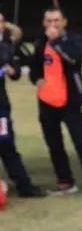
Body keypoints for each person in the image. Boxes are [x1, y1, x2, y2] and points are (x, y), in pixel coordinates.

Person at [29, 8, 82, 195]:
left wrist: (56, 42)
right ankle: (65, 181)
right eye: (48, 21)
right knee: (54, 143)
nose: (52, 24)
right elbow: (34, 66)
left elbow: (73, 60)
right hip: (47, 100)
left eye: (56, 20)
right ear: (44, 22)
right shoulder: (41, 41)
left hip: (70, 100)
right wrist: (37, 79)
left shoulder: (74, 40)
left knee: (80, 141)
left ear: (64, 22)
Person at [0, 11, 45, 198]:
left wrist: (12, 70)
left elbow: (18, 69)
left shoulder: (7, 46)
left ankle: (24, 186)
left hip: (0, 106)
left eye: (1, 22)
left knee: (5, 142)